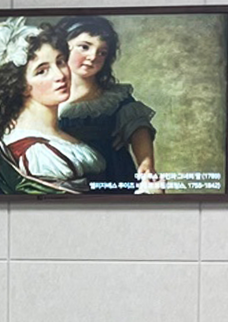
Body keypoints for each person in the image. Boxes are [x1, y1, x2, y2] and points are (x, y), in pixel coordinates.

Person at [0, 17, 106, 195]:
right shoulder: (34, 153)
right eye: (42, 71)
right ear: (20, 85)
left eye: (60, 62)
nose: (60, 75)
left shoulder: (63, 133)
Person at [53, 15, 159, 193]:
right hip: (64, 178)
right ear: (61, 47)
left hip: (112, 176)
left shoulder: (113, 97)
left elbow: (138, 128)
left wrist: (146, 164)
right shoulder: (44, 94)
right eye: (84, 47)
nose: (93, 56)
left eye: (102, 52)